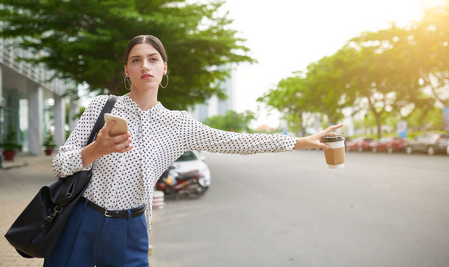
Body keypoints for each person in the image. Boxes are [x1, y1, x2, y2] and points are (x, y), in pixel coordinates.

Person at [44, 34, 343, 267]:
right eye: (136, 60)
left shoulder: (179, 125)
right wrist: (94, 150)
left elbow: (238, 142)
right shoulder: (101, 106)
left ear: (164, 67)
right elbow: (59, 164)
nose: (144, 66)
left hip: (128, 229)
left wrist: (302, 141)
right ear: (126, 70)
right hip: (80, 219)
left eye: (152, 59)